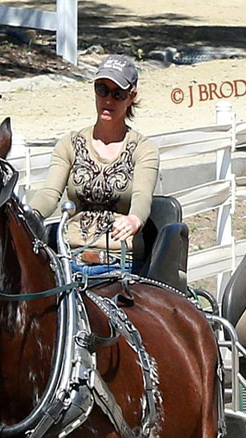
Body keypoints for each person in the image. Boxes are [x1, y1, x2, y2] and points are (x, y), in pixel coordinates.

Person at [28, 54, 160, 276]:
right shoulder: (70, 143)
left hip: (120, 264)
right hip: (69, 260)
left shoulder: (143, 149)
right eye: (102, 90)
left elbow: (142, 197)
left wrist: (134, 219)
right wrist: (29, 214)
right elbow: (50, 193)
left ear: (131, 97)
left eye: (118, 94)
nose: (108, 100)